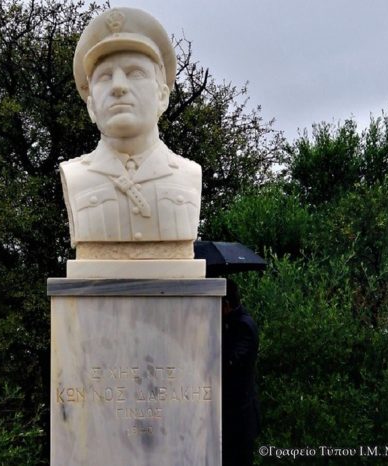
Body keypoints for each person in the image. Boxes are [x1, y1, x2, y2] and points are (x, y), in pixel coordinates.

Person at [60, 8, 202, 247]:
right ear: (91, 106)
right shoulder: (75, 175)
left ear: (162, 97)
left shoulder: (189, 174)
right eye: (105, 76)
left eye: (135, 73)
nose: (118, 86)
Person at [222, 279, 261, 465]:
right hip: (232, 413)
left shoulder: (243, 325)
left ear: (226, 304)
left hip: (240, 414)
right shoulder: (231, 322)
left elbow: (232, 362)